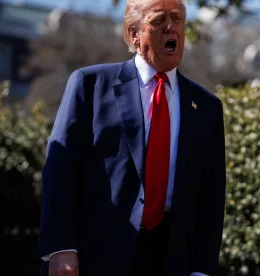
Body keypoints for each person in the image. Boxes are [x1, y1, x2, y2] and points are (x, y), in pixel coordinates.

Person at [35, 0, 226, 275]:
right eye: (159, 20)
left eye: (177, 19)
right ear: (134, 34)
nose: (171, 27)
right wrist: (60, 246)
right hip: (96, 254)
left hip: (170, 259)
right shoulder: (90, 85)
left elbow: (211, 196)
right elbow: (60, 170)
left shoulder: (206, 106)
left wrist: (203, 268)